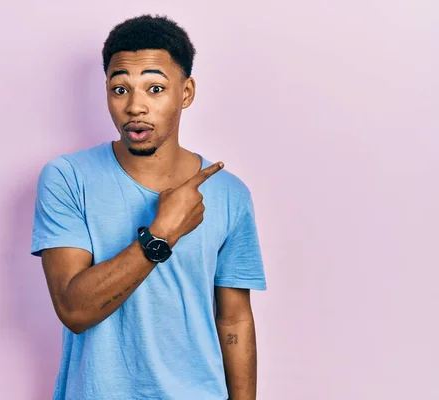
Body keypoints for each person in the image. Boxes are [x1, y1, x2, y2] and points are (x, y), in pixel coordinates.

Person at [31, 14, 267, 400]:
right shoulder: (68, 177)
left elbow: (235, 318)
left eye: (155, 88)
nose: (135, 106)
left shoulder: (229, 194)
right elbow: (75, 310)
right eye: (120, 89)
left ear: (186, 92)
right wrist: (162, 232)